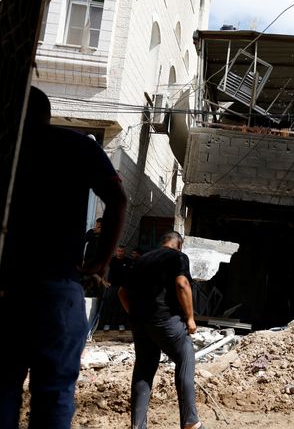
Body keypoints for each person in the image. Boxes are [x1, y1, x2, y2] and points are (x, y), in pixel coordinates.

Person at [0, 86, 127, 428]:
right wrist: (99, 263)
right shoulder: (77, 146)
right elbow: (118, 199)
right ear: (47, 113)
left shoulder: (7, 144)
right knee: (54, 393)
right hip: (57, 288)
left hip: (7, 287)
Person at [118, 231, 204, 429]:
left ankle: (138, 426)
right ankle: (190, 421)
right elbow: (182, 284)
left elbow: (122, 292)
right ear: (179, 245)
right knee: (185, 357)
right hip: (166, 321)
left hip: (140, 323)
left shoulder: (141, 260)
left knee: (144, 369)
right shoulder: (178, 257)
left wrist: (135, 314)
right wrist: (190, 319)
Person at [101, 245, 132, 331]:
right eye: (118, 251)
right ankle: (107, 323)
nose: (120, 253)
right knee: (108, 304)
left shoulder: (128, 261)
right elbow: (102, 269)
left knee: (122, 305)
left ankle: (121, 324)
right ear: (116, 251)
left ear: (124, 252)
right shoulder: (111, 260)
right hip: (111, 286)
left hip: (123, 287)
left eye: (121, 251)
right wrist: (103, 281)